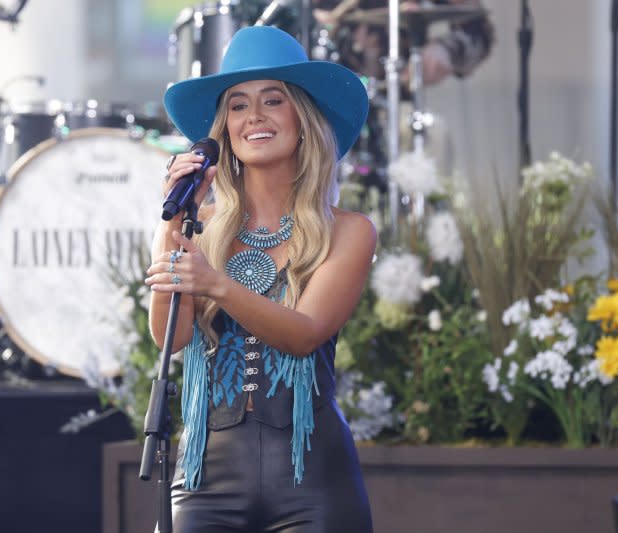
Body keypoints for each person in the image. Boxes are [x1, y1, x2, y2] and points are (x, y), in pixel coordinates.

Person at [145, 25, 376, 532]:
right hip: (205, 478)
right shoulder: (198, 233)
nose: (254, 117)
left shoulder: (348, 232)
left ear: (302, 118)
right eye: (238, 105)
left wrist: (217, 285)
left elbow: (305, 333)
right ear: (223, 128)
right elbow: (170, 337)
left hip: (312, 478)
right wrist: (171, 222)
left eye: (273, 100)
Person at [312, 0, 494, 86]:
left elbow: (479, 29)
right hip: (317, 106)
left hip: (395, 109)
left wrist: (447, 50)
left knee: (438, 140)